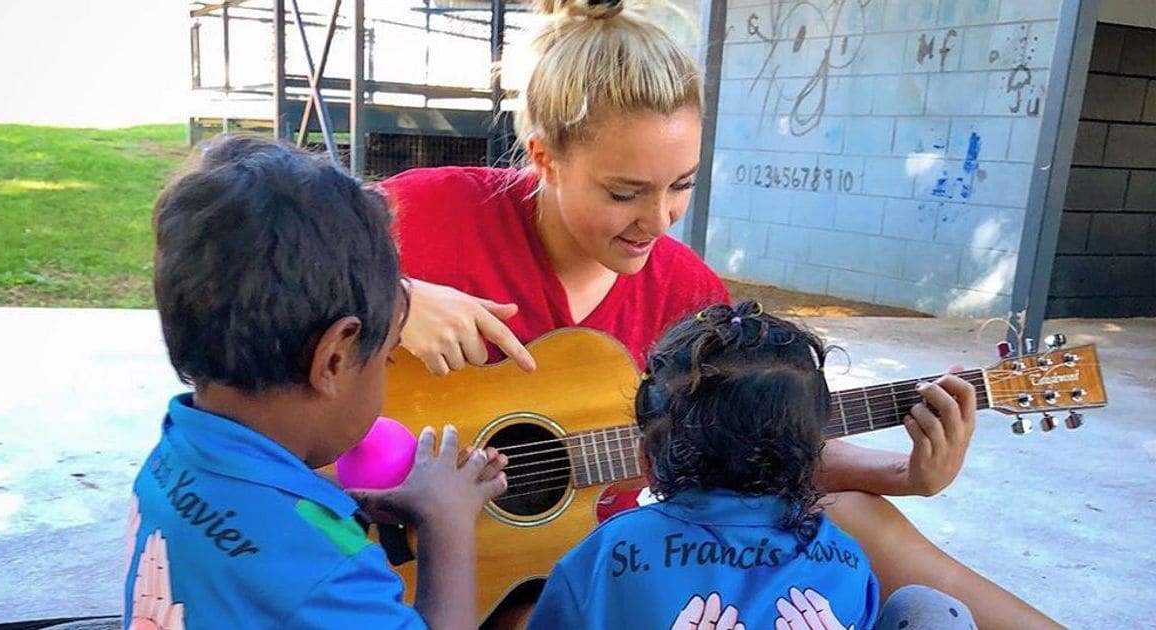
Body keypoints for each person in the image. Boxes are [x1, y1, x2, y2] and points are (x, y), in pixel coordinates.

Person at [378, 1, 1060, 627]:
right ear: (545, 158)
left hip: (560, 570)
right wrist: (395, 298)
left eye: (681, 185)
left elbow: (757, 442)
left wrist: (906, 475)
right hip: (400, 548)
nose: (657, 220)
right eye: (625, 192)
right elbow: (271, 248)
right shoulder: (430, 212)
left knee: (844, 516)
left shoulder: (688, 292)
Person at [123, 135, 508, 630]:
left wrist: (345, 506)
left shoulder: (170, 457)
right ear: (334, 359)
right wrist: (447, 523)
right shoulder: (329, 575)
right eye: (387, 357)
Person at [524, 302, 977, 630]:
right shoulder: (848, 560)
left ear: (647, 459)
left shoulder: (608, 551)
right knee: (931, 610)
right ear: (812, 459)